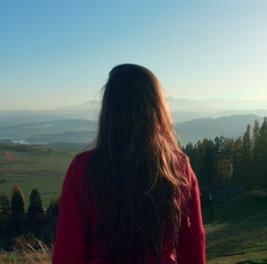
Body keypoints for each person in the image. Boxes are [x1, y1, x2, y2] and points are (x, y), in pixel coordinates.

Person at [53, 64, 205, 264]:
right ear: (157, 108)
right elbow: (193, 245)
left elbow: (67, 251)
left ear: (109, 111)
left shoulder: (82, 168)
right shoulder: (178, 167)